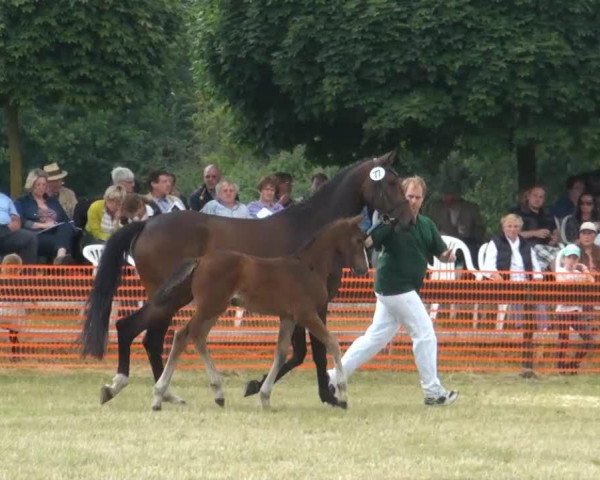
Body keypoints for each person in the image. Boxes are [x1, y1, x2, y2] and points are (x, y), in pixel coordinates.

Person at [327, 176, 459, 406]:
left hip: (402, 289)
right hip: (395, 287)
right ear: (402, 196)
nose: (414, 201)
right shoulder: (390, 220)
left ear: (423, 199)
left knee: (374, 338)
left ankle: (332, 376)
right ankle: (433, 392)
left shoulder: (426, 224)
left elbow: (441, 252)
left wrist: (448, 256)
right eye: (409, 196)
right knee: (425, 334)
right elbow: (368, 242)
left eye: (418, 197)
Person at [480, 213, 543, 378]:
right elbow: (488, 267)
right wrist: (497, 276)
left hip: (526, 285)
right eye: (509, 226)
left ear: (520, 228)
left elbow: (537, 269)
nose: (513, 229)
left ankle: (538, 330)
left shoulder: (526, 245)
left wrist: (536, 279)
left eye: (516, 226)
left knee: (537, 301)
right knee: (520, 302)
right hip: (505, 286)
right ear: (503, 227)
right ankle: (520, 326)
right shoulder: (495, 243)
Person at [14, 169, 77, 264]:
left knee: (67, 226)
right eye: (38, 184)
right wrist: (43, 225)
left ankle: (60, 257)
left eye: (44, 185)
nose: (41, 188)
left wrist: (57, 225)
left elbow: (65, 220)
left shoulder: (53, 201)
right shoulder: (22, 201)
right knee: (65, 242)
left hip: (56, 233)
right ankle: (62, 259)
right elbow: (20, 221)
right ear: (31, 185)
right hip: (36, 235)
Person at [553, 243, 596, 374]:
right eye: (569, 257)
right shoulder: (560, 271)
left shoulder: (579, 273)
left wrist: (585, 269)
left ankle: (573, 364)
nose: (572, 260)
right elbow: (562, 283)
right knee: (564, 339)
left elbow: (592, 282)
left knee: (589, 340)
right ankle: (560, 368)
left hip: (576, 312)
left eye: (575, 258)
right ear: (564, 258)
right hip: (563, 312)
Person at [427, 183, 486, 265]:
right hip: (441, 241)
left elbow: (480, 227)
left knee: (473, 251)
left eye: (451, 195)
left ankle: (468, 276)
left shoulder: (471, 207)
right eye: (446, 194)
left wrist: (474, 238)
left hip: (466, 242)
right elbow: (429, 225)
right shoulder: (435, 207)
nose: (448, 198)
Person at [510, 185, 560, 271]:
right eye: (535, 195)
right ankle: (562, 281)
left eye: (541, 197)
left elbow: (555, 231)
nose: (538, 199)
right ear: (528, 196)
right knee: (553, 258)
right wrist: (535, 233)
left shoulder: (547, 214)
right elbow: (512, 233)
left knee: (564, 253)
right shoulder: (518, 213)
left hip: (548, 248)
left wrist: (555, 238)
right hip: (527, 248)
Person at [0, 192, 38, 264]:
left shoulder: (5, 199)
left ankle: (27, 274)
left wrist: (14, 225)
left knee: (29, 237)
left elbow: (16, 219)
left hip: (6, 230)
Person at [0, 253, 26, 361]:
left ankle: (15, 356)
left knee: (12, 335)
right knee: (13, 335)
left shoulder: (3, 280)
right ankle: (16, 356)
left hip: (5, 310)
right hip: (16, 312)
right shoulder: (21, 281)